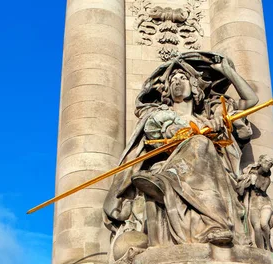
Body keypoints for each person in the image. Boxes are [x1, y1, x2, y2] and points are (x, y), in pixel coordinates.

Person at [104, 52, 259, 248]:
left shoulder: (208, 116)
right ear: (167, 90)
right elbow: (154, 142)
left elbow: (251, 101)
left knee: (201, 143)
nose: (178, 82)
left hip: (210, 171)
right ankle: (207, 218)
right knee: (199, 143)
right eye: (173, 79)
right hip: (170, 164)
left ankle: (208, 219)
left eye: (183, 78)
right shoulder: (159, 116)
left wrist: (228, 72)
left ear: (194, 87)